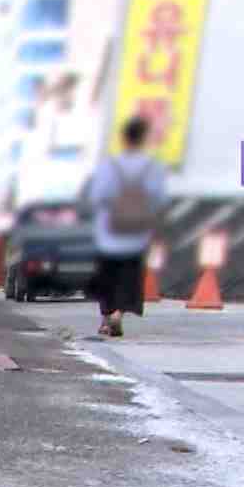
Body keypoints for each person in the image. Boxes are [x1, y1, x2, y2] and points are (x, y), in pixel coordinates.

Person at [86, 115, 169, 338]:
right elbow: (159, 199)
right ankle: (118, 314)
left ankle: (107, 316)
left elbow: (97, 197)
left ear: (124, 138)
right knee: (129, 278)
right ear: (144, 138)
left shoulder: (109, 166)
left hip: (108, 232)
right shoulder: (153, 167)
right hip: (137, 233)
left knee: (107, 278)